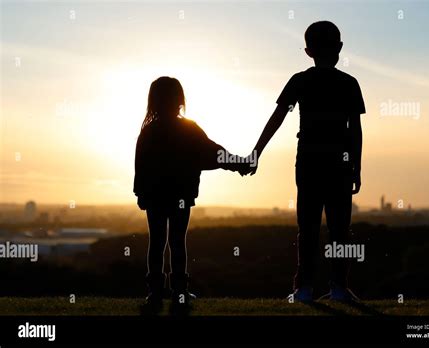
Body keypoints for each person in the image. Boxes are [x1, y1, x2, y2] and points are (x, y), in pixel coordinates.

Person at [242, 21, 365, 302]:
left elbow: (278, 118)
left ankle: (304, 288)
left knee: (307, 226)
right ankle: (338, 286)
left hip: (309, 160)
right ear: (340, 48)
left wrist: (257, 152)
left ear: (308, 51)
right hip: (340, 162)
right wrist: (357, 166)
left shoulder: (300, 80)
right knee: (339, 228)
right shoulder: (349, 83)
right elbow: (355, 130)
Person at [134, 76, 247, 312]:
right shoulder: (188, 129)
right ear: (179, 100)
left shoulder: (149, 131)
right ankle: (179, 291)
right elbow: (213, 152)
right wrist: (239, 164)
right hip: (180, 195)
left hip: (155, 195)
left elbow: (141, 166)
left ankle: (155, 292)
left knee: (156, 242)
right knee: (177, 241)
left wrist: (141, 194)